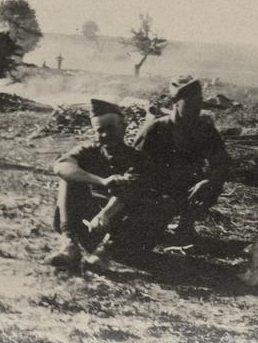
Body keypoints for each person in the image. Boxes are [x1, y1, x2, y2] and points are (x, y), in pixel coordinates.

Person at [46, 99, 155, 271]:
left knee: (152, 202)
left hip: (121, 229)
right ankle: (69, 245)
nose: (105, 135)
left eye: (110, 129)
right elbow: (61, 167)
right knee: (68, 179)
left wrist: (105, 214)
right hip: (88, 226)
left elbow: (130, 192)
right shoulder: (88, 151)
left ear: (124, 127)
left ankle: (105, 253)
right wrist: (100, 181)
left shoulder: (138, 159)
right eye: (100, 130)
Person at [133, 75, 232, 242]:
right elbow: (135, 167)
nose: (197, 109)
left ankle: (185, 227)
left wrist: (209, 181)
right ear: (175, 102)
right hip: (156, 189)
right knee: (149, 234)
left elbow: (222, 163)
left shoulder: (204, 129)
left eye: (199, 103)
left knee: (210, 188)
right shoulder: (155, 128)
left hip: (187, 188)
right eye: (191, 104)